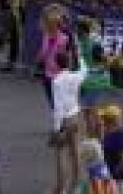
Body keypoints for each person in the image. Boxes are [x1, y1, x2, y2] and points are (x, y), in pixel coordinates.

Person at [50, 48, 87, 194]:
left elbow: (58, 107)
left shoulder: (57, 81)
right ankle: (76, 185)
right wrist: (81, 56)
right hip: (76, 116)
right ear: (69, 62)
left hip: (64, 119)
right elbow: (84, 70)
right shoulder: (76, 76)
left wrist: (57, 128)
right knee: (75, 151)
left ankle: (61, 188)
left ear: (56, 64)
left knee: (61, 154)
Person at [99, 106, 123, 194]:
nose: (101, 121)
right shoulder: (113, 134)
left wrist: (110, 174)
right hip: (118, 178)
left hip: (121, 179)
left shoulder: (121, 137)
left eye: (103, 118)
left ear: (109, 121)